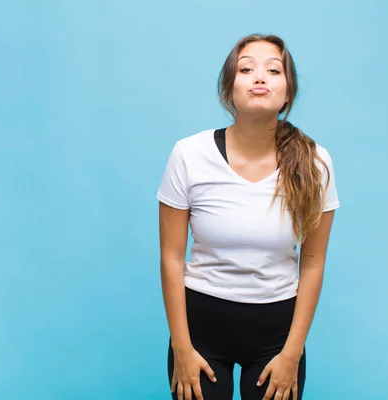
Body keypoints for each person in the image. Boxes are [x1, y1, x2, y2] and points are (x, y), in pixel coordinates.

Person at [156, 33, 340, 400]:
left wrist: (292, 354)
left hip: (277, 338)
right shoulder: (189, 155)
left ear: (288, 93)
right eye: (246, 69)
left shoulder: (316, 162)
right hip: (199, 334)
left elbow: (313, 263)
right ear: (229, 89)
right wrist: (181, 348)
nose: (260, 77)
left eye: (274, 70)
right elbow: (172, 258)